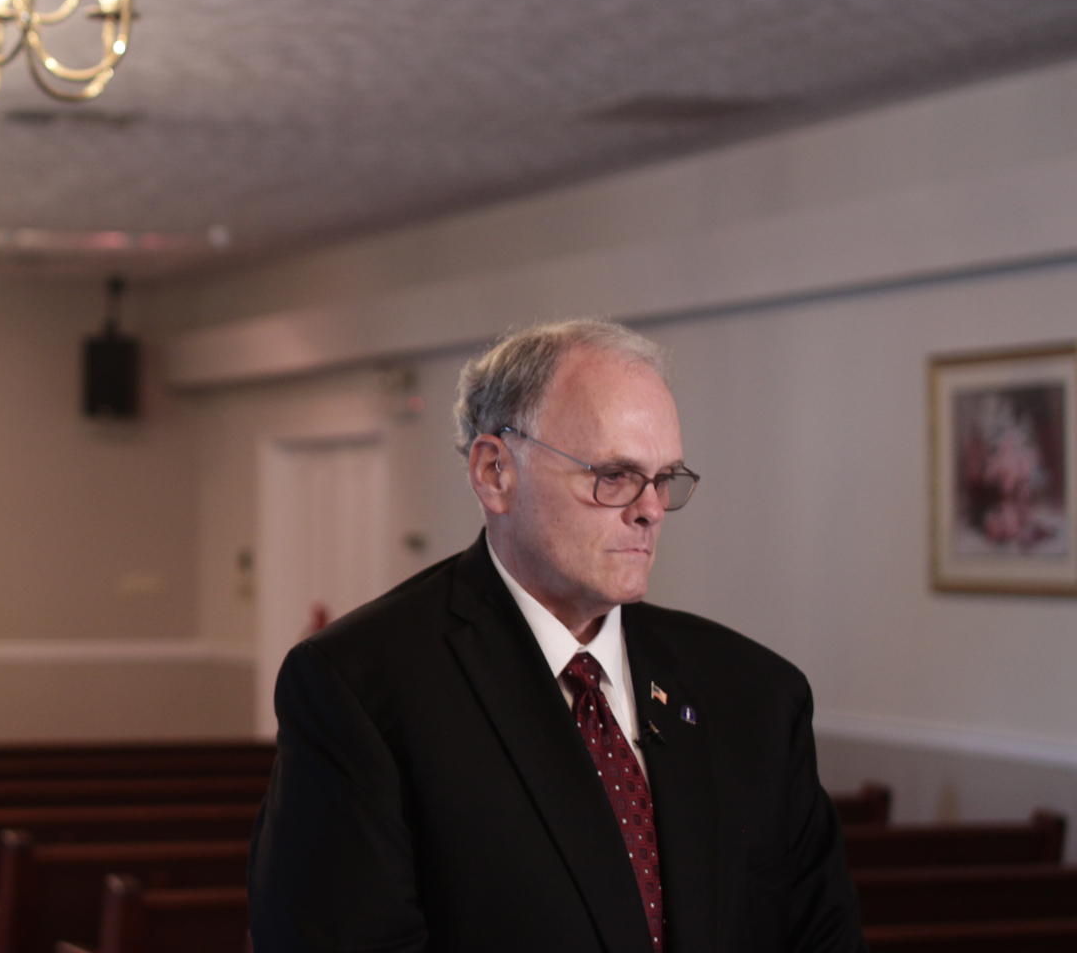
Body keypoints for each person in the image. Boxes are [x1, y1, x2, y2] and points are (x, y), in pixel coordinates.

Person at [248, 319, 864, 953]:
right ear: (495, 473)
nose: (649, 509)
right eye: (615, 476)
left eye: (663, 479)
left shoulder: (757, 694)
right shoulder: (360, 687)